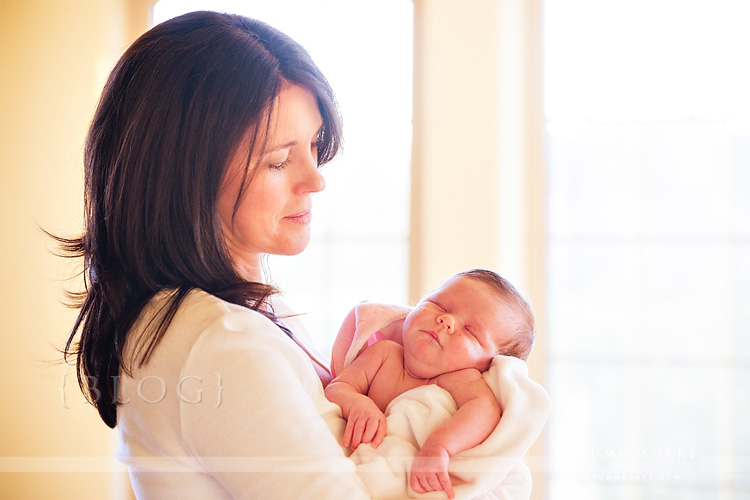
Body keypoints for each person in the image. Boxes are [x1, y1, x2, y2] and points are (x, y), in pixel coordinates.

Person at [56, 10, 548, 500]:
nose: (316, 178)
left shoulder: (251, 314)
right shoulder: (220, 346)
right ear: (185, 175)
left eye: (313, 145)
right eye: (278, 159)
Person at [325, 269, 535, 499]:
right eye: (439, 305)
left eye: (470, 331)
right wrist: (357, 403)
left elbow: (483, 411)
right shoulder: (384, 355)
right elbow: (337, 387)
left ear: (490, 364)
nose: (446, 320)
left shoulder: (461, 378)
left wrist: (441, 444)